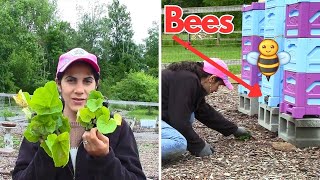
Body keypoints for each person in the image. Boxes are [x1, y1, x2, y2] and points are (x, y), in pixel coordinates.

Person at [12, 48, 146, 180]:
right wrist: (47, 152)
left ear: (96, 85)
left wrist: (105, 158)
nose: (79, 90)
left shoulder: (117, 128)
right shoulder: (42, 126)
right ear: (59, 84)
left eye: (87, 81)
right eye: (71, 80)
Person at [161, 59, 251, 162]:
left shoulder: (192, 79)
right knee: (179, 144)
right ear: (212, 79)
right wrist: (199, 147)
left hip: (164, 113)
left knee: (190, 115)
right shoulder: (187, 80)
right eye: (219, 85)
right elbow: (179, 121)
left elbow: (204, 111)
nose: (216, 90)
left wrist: (233, 129)